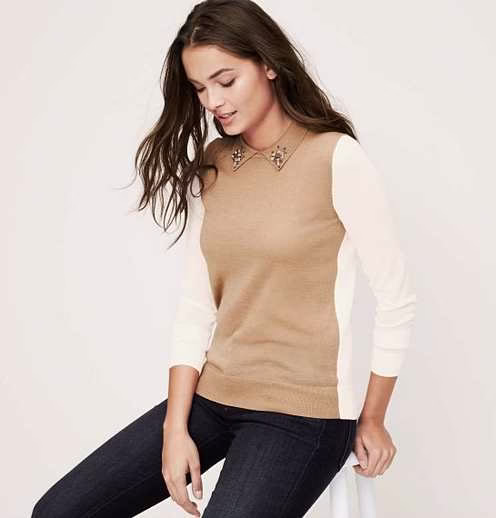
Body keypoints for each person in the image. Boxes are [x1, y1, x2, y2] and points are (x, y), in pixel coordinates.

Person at [31, 0, 417, 516]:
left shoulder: (336, 158)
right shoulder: (215, 165)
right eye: (199, 88)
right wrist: (175, 429)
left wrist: (371, 417)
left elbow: (397, 300)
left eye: (225, 80)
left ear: (269, 64)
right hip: (214, 397)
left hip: (303, 412)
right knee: (59, 511)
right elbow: (198, 308)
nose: (213, 101)